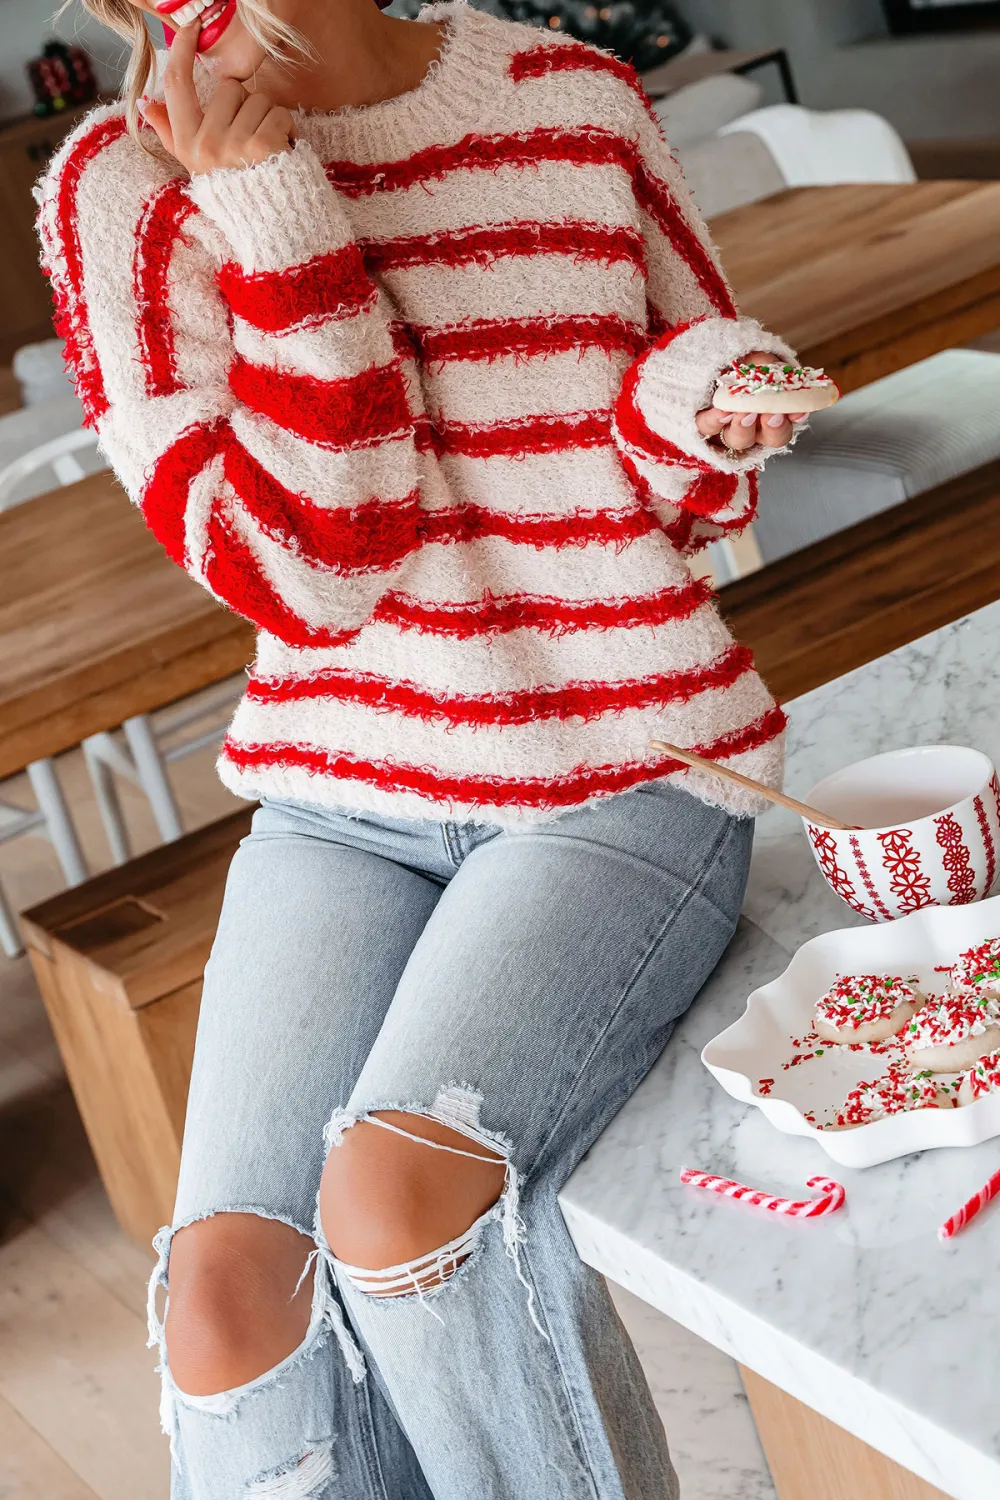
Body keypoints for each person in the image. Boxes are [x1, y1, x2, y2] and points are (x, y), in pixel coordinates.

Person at [36, 1, 806, 1494]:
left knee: (398, 1206)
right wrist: (271, 215)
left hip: (619, 764)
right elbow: (315, 572)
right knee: (220, 1304)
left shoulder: (569, 94)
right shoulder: (117, 189)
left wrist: (711, 409)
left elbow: (686, 459)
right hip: (343, 798)